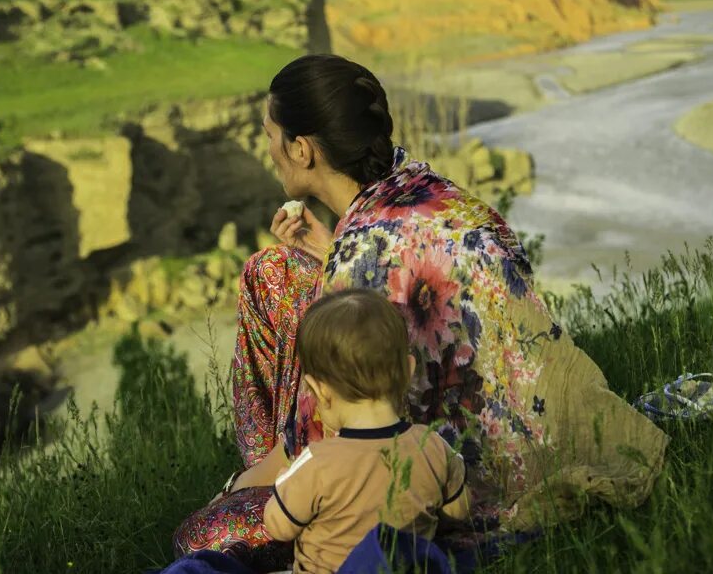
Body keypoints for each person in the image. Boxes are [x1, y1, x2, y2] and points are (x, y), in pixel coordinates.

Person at [173, 54, 668, 567]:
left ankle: (268, 487)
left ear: (301, 149)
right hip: (510, 430)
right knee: (270, 271)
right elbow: (405, 265)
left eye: (271, 135)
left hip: (434, 478)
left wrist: (235, 490)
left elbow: (327, 436)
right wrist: (332, 249)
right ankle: (273, 479)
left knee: (198, 537)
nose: (268, 149)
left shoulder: (360, 260)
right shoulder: (424, 186)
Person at [263, 289, 468, 574]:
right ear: (409, 370)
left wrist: (284, 482)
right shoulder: (433, 446)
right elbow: (459, 511)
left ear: (320, 389)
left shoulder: (318, 462)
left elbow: (277, 527)